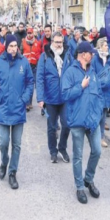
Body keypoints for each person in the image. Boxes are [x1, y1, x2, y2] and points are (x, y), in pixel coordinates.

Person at [0, 34, 34, 189]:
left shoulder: (24, 62)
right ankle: (4, 162)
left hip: (18, 109)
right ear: (6, 47)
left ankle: (12, 172)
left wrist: (25, 98)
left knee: (17, 144)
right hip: (3, 109)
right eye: (11, 46)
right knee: (3, 143)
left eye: (15, 46)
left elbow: (30, 82)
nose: (13, 49)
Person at [61, 41, 103, 204]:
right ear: (82, 54)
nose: (92, 55)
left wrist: (98, 112)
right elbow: (64, 94)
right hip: (77, 121)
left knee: (97, 151)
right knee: (77, 156)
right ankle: (79, 186)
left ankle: (88, 179)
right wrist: (81, 86)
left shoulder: (93, 71)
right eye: (90, 53)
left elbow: (99, 94)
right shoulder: (71, 72)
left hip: (93, 121)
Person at [36, 32, 73, 163]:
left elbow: (73, 73)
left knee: (67, 124)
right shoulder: (44, 56)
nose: (59, 45)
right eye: (57, 42)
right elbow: (39, 78)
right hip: (50, 98)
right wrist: (40, 98)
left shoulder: (68, 55)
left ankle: (62, 148)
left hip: (64, 97)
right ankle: (53, 151)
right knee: (52, 127)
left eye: (61, 42)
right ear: (51, 42)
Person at [91, 38, 110, 148]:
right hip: (98, 93)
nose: (107, 47)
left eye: (107, 45)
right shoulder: (95, 60)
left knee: (103, 117)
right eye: (105, 45)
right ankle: (95, 137)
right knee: (97, 116)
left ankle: (101, 137)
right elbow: (92, 76)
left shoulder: (109, 59)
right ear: (100, 47)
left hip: (107, 93)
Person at [21, 27, 41, 110]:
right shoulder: (23, 42)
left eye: (31, 33)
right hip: (25, 66)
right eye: (28, 33)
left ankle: (29, 102)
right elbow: (20, 53)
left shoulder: (37, 42)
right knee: (25, 84)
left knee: (31, 85)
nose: (29, 34)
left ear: (33, 33)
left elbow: (39, 53)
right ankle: (27, 103)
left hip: (33, 66)